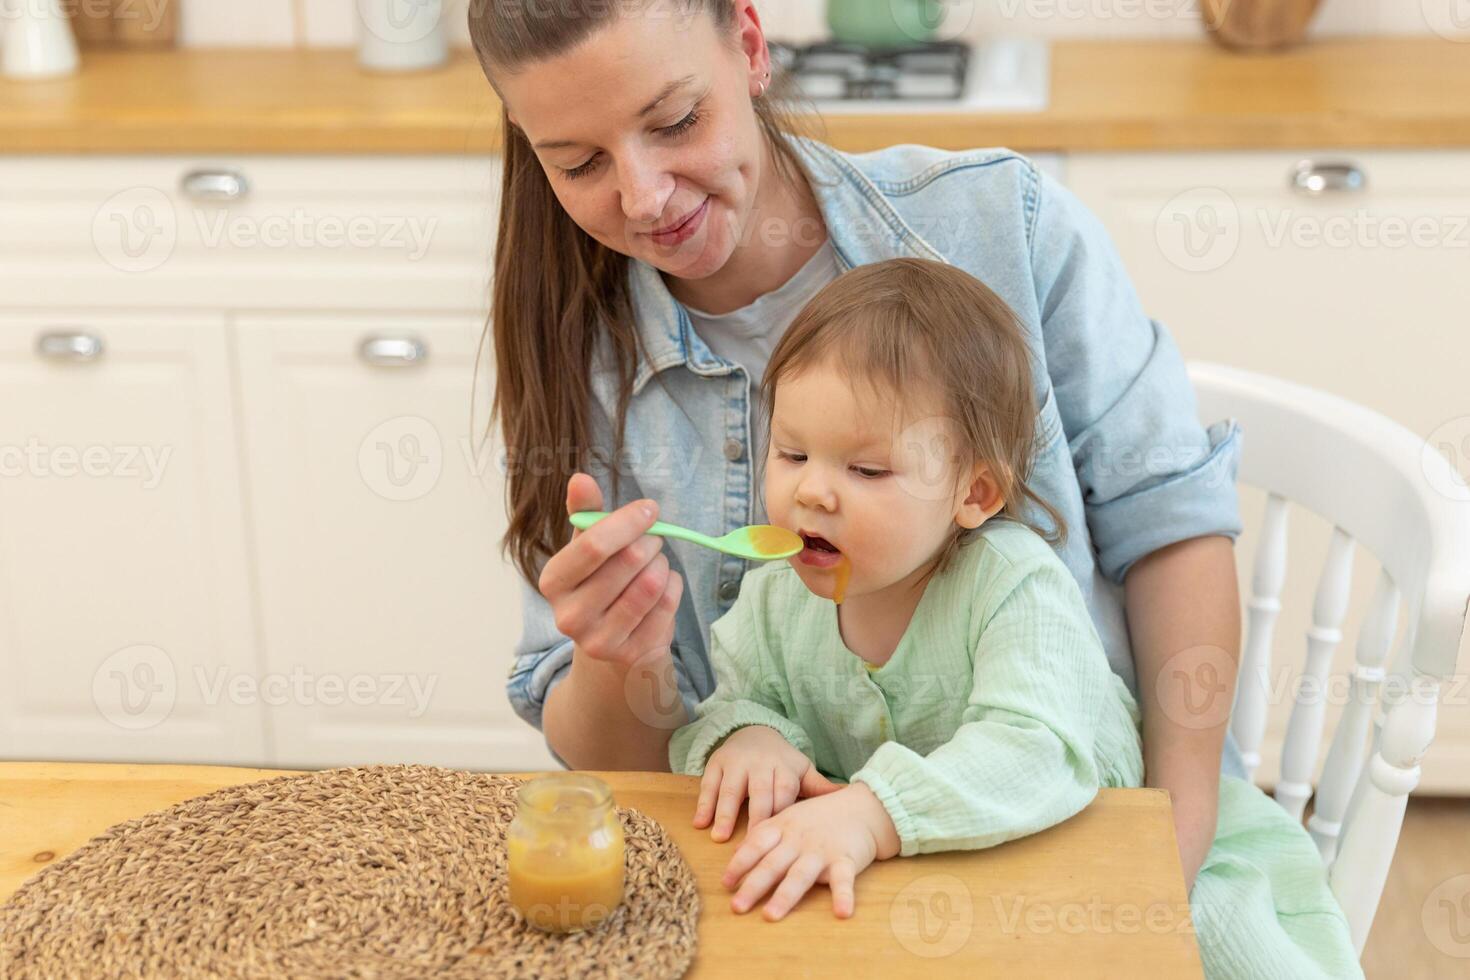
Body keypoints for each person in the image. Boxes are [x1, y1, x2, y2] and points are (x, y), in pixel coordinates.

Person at [471, 0, 1246, 892]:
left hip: (1069, 848)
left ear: (751, 47)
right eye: (579, 164)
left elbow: (1173, 528)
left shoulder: (1002, 223)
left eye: (677, 121)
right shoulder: (572, 349)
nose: (644, 196)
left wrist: (1172, 850)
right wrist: (619, 658)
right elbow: (664, 746)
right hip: (807, 886)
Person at [667, 258, 1361, 980]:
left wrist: (874, 812)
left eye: (867, 471)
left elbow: (1034, 750)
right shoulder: (779, 597)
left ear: (974, 493)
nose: (812, 491)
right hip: (939, 886)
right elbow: (732, 700)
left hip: (1092, 865)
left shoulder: (1014, 587)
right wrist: (747, 736)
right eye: (793, 452)